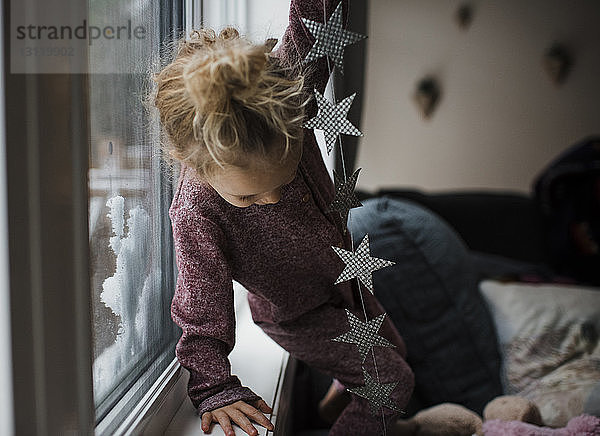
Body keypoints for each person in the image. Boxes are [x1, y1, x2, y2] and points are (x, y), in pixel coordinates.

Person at [152, 0, 414, 435]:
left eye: (286, 176)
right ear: (190, 161)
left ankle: (332, 407)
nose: (272, 198)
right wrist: (215, 388)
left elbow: (317, 25)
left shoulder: (287, 99)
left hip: (344, 278)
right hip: (295, 312)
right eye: (249, 195)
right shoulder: (197, 209)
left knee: (394, 351)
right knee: (390, 380)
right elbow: (201, 308)